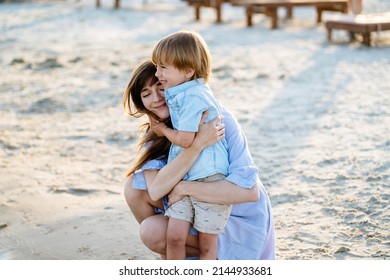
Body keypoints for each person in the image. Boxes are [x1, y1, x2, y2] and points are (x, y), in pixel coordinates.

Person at [123, 60, 276, 260]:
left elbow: (249, 192)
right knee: (133, 188)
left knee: (153, 230)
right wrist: (196, 145)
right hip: (196, 207)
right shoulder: (157, 133)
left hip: (235, 216)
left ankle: (222, 258)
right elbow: (156, 190)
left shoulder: (216, 117)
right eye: (146, 94)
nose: (157, 99)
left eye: (161, 88)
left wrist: (184, 188)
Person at [150, 30, 230, 260]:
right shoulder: (181, 94)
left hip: (209, 178)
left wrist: (163, 130)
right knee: (174, 236)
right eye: (157, 67)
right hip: (187, 176)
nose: (157, 74)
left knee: (207, 243)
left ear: (188, 71)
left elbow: (185, 140)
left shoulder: (194, 97)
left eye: (163, 67)